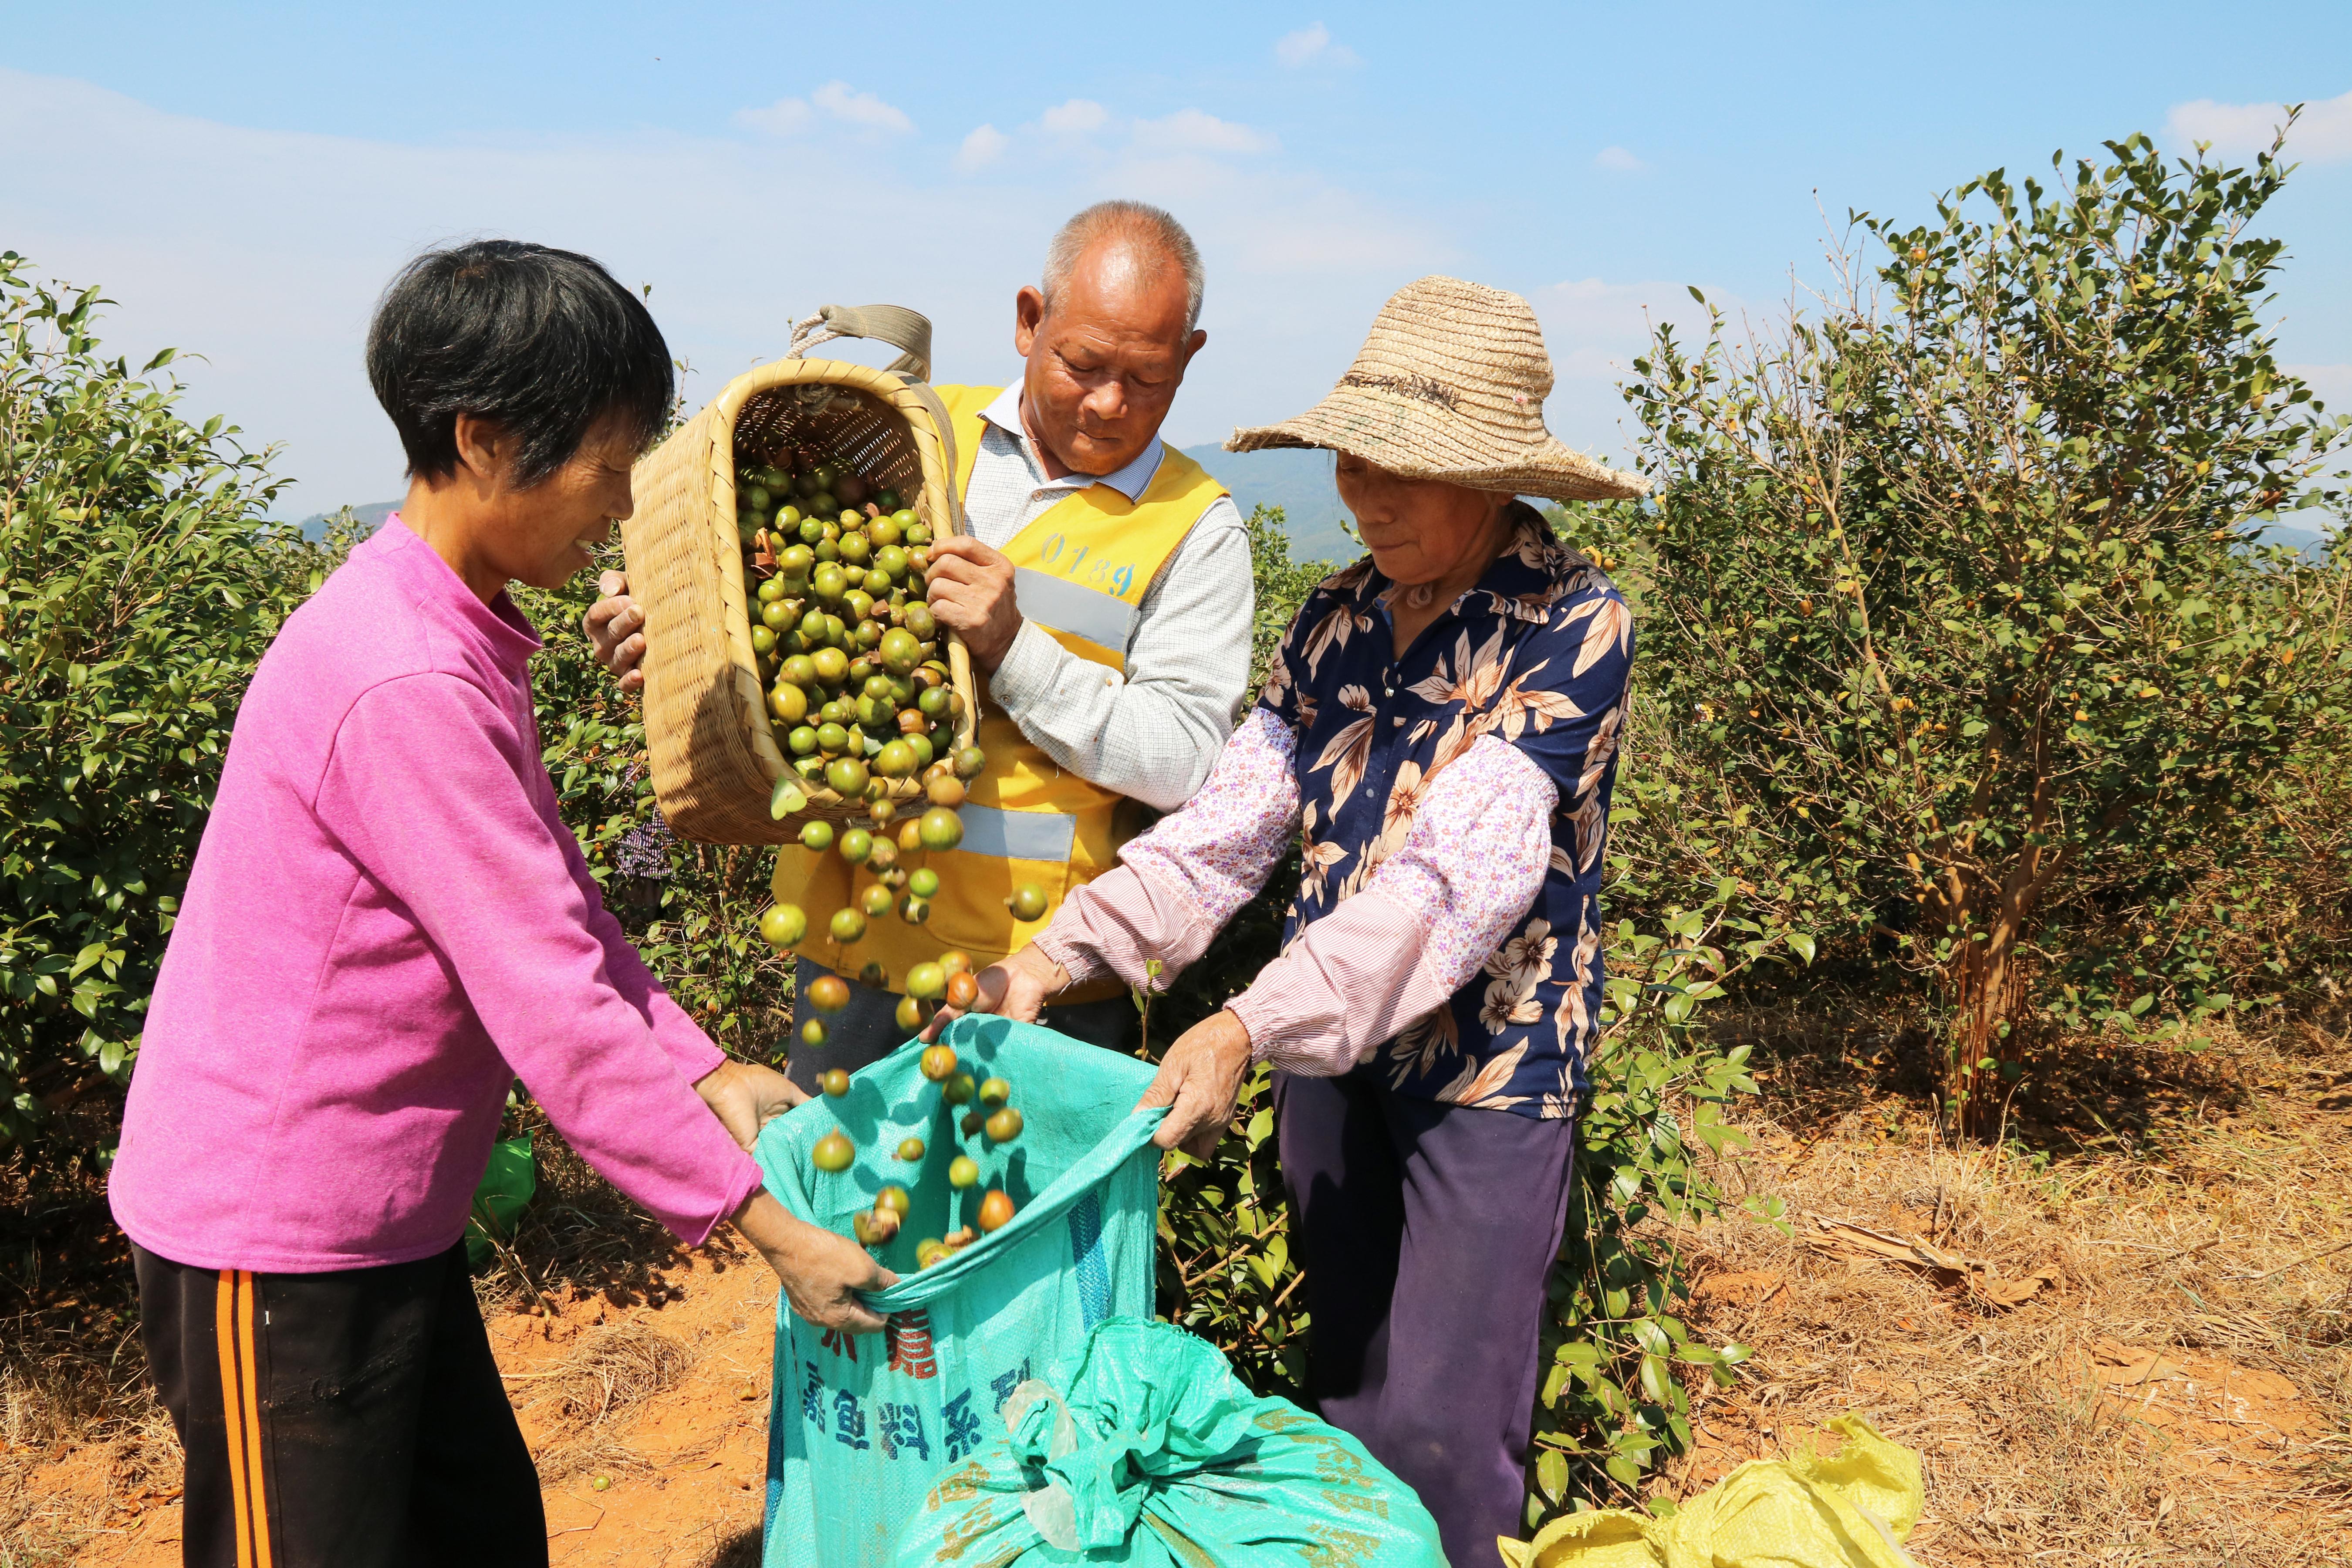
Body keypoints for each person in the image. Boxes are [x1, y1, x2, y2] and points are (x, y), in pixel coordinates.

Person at [107, 241, 891, 1568]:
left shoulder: (460, 631)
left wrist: (706, 1068)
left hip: (382, 1221)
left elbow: (557, 903)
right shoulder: (403, 675)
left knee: (476, 1537)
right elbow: (545, 999)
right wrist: (765, 1230)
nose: (621, 503)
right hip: (276, 1243)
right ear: (481, 440)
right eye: (607, 460)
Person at [924, 275, 1648, 1565]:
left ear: (1489, 477)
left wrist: (1246, 1027)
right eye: (1356, 461)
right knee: (1347, 1386)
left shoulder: (1571, 623)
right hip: (1329, 1060)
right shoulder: (1338, 619)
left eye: (1407, 473)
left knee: (1444, 1422)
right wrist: (1051, 957)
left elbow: (1453, 892)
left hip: (1488, 1075)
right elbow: (1224, 835)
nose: (1369, 495)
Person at [588, 200, 1254, 1092]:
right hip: (850, 948)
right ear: (1029, 322)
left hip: (1036, 983)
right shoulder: (921, 430)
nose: (1107, 403)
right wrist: (663, 634)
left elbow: (1183, 763)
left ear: (1191, 356)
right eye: (1083, 365)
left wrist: (1013, 649)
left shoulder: (1197, 529)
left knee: (1009, 1228)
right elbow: (762, 597)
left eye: (1147, 378)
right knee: (838, 1223)